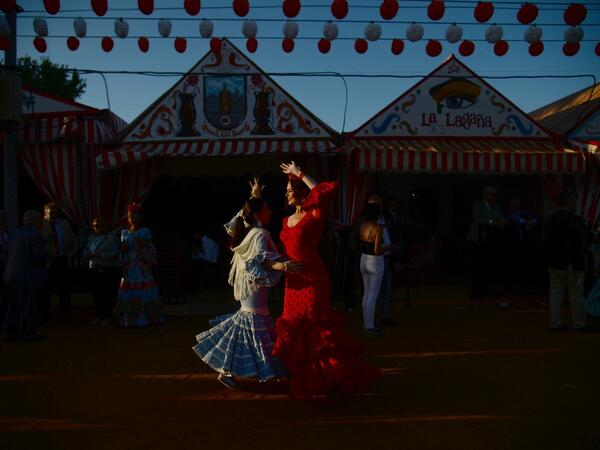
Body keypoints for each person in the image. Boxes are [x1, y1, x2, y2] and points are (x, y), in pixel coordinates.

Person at [274, 161, 379, 399]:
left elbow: (326, 189)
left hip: (313, 280)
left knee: (316, 328)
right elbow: (281, 251)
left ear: (301, 192)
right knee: (294, 328)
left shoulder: (314, 214)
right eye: (286, 192)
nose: (287, 195)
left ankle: (330, 379)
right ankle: (303, 380)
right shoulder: (284, 221)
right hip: (293, 283)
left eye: (291, 191)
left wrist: (300, 173)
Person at [193, 178, 302, 389]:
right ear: (259, 214)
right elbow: (262, 259)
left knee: (250, 322)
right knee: (254, 323)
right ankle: (251, 369)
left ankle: (235, 370)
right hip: (253, 285)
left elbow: (240, 219)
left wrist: (254, 197)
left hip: (249, 285)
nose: (270, 211)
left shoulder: (246, 229)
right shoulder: (260, 233)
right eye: (267, 208)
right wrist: (285, 266)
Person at [544, 191, 592, 331]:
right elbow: (584, 240)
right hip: (572, 262)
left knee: (555, 293)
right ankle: (579, 324)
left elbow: (545, 242)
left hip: (553, 263)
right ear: (569, 202)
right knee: (576, 294)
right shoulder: (574, 220)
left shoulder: (549, 219)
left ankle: (555, 324)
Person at [2, 210, 48, 343]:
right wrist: (49, 255)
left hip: (10, 276)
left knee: (12, 307)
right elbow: (39, 255)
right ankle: (28, 334)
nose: (42, 221)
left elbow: (7, 253)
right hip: (28, 277)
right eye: (40, 219)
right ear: (35, 220)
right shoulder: (35, 234)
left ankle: (9, 333)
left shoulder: (14, 233)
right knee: (28, 306)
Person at [116, 203, 164, 328]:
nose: (133, 218)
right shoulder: (124, 232)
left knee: (144, 290)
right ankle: (130, 320)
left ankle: (146, 319)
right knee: (130, 291)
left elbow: (150, 247)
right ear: (128, 217)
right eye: (131, 216)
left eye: (136, 216)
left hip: (142, 266)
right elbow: (122, 249)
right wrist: (123, 248)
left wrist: (140, 241)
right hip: (129, 266)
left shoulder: (145, 231)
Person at [359, 202, 393, 337]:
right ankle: (370, 326)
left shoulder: (362, 226)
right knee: (372, 295)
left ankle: (366, 324)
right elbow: (377, 250)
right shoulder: (378, 228)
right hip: (375, 261)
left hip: (363, 259)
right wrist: (390, 248)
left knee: (366, 294)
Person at [467, 187, 506, 300]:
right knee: (476, 266)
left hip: (489, 240)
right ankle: (475, 292)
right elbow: (478, 218)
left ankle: (486, 290)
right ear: (485, 195)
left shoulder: (496, 206)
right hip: (476, 239)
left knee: (488, 265)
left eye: (495, 195)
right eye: (492, 195)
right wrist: (494, 222)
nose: (494, 197)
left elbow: (502, 218)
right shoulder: (478, 204)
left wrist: (502, 221)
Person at [41, 203, 77, 322]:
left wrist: (70, 251)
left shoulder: (64, 224)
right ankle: (45, 315)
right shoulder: (40, 225)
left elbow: (72, 240)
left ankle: (65, 314)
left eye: (55, 212)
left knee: (64, 288)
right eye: (51, 212)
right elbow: (35, 239)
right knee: (46, 289)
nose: (53, 215)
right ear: (45, 213)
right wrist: (46, 236)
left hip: (62, 258)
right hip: (48, 261)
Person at [82, 217, 120, 327]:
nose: (95, 228)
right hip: (94, 268)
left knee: (106, 294)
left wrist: (101, 255)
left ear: (105, 226)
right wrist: (86, 255)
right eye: (94, 225)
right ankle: (99, 316)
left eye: (98, 225)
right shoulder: (91, 238)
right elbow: (86, 250)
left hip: (106, 269)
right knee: (97, 294)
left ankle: (107, 316)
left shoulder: (111, 237)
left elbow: (115, 253)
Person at [0, 211, 9, 333]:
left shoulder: (7, 234)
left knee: (5, 298)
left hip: (6, 271)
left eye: (3, 219)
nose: (2, 222)